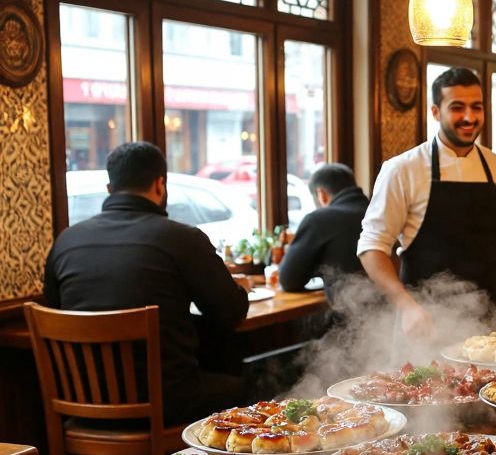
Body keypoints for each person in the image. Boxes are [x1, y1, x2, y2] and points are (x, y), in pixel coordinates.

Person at [43, 141, 249, 426]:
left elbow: (54, 309)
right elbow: (230, 313)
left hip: (82, 406)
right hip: (169, 403)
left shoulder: (66, 241)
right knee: (255, 385)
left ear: (109, 189)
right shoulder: (182, 238)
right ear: (160, 184)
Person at [358, 67, 496, 336]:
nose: (469, 117)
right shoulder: (402, 169)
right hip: (427, 322)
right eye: (457, 107)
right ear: (436, 112)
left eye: (477, 107)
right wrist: (406, 306)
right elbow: (372, 246)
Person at [280, 163, 369, 303]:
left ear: (321, 194)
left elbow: (289, 280)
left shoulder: (319, 219)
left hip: (345, 316)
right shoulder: (377, 211)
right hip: (388, 311)